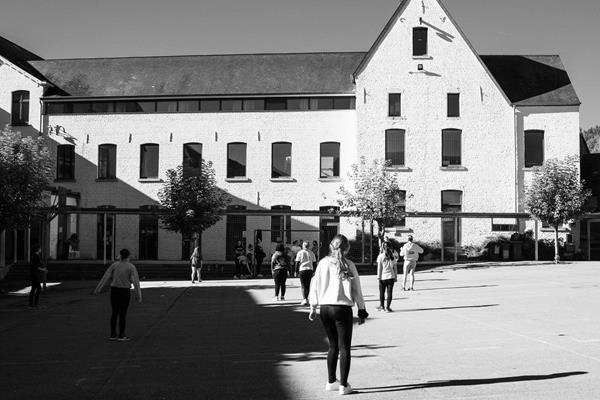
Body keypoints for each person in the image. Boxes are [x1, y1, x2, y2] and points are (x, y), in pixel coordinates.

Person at [308, 234, 368, 395]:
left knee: (332, 346)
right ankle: (343, 385)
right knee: (344, 347)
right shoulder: (349, 264)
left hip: (325, 308)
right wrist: (361, 310)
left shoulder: (322, 263)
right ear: (347, 248)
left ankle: (330, 381)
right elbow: (357, 290)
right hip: (342, 308)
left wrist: (313, 306)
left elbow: (315, 284)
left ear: (330, 247)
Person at [94, 248, 142, 341]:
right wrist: (138, 295)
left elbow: (106, 277)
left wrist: (98, 289)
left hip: (114, 291)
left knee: (114, 312)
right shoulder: (131, 267)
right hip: (125, 291)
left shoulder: (114, 265)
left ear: (120, 255)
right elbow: (135, 282)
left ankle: (112, 334)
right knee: (123, 313)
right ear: (128, 256)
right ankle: (121, 334)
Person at [376, 241, 398, 312]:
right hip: (391, 276)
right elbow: (395, 268)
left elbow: (379, 268)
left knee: (382, 292)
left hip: (383, 277)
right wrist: (395, 276)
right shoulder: (392, 256)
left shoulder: (380, 256)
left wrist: (378, 277)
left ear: (383, 247)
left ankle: (382, 306)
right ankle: (388, 307)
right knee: (389, 293)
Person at [295, 241, 316, 305]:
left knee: (303, 285)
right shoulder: (312, 253)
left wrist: (296, 271)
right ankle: (307, 298)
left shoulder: (300, 252)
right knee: (308, 285)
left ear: (303, 246)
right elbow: (314, 262)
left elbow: (297, 262)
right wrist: (314, 271)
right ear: (309, 246)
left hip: (302, 269)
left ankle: (304, 299)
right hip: (309, 269)